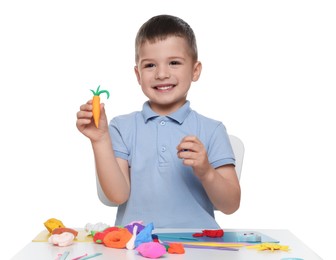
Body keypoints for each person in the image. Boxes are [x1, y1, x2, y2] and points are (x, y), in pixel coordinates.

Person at [76, 14, 241, 229]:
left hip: (200, 245)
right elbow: (117, 195)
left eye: (174, 63)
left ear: (195, 70)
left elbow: (230, 205)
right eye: (150, 65)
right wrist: (99, 140)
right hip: (135, 244)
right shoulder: (120, 127)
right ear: (138, 74)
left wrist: (206, 171)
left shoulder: (212, 130)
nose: (162, 74)